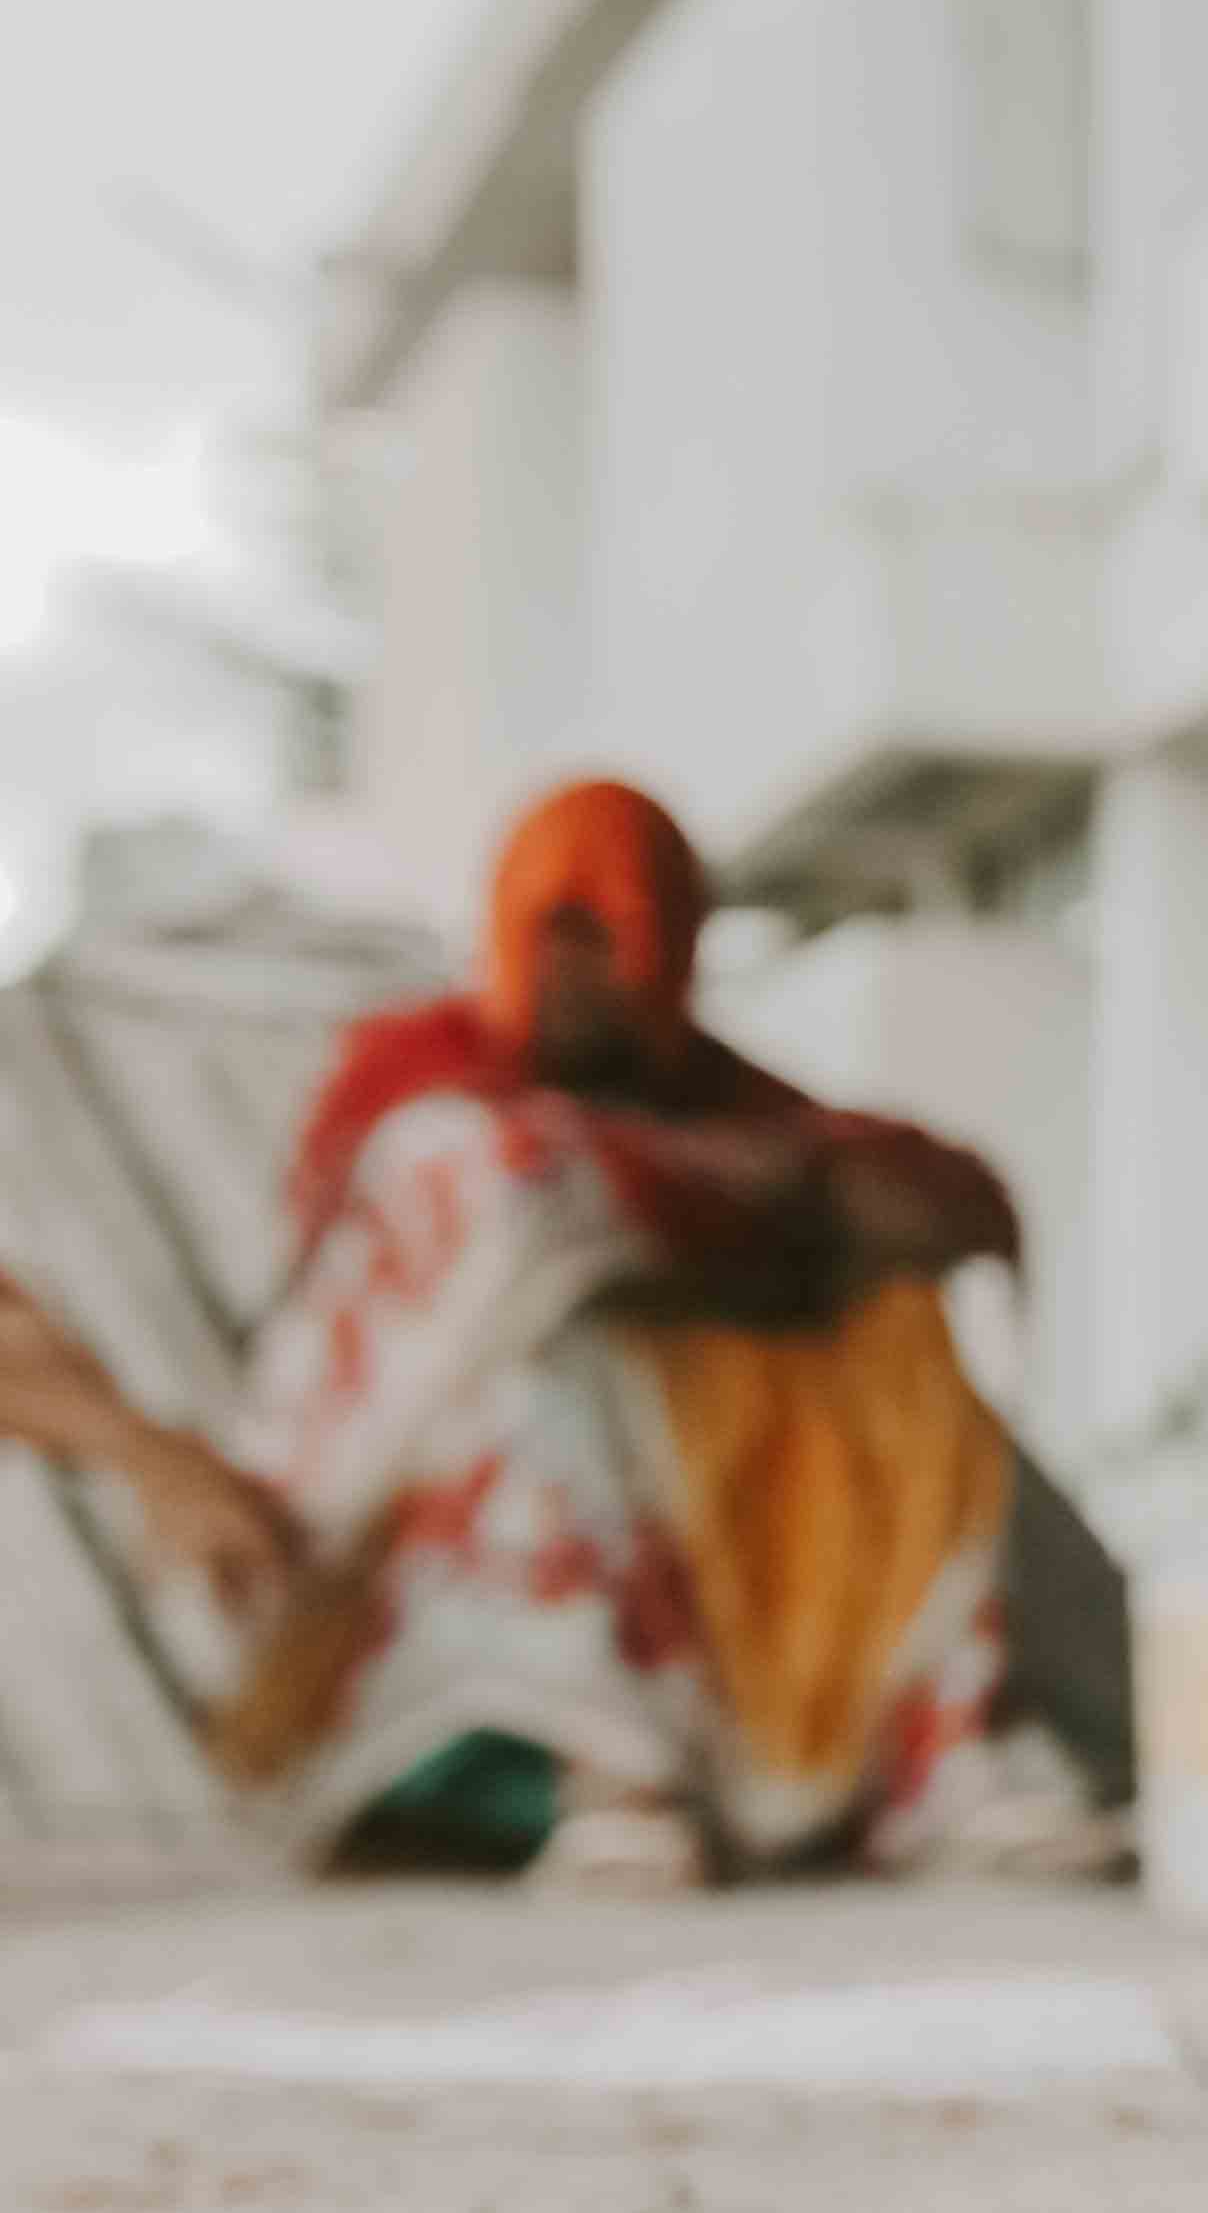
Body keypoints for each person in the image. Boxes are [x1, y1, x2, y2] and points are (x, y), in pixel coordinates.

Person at [0, 778, 1064, 1887]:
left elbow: (921, 1195)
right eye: (556, 933)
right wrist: (162, 1464)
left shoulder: (734, 1100)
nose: (580, 977)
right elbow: (518, 1197)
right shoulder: (419, 1089)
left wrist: (739, 1213)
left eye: (614, 938)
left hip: (745, 1579)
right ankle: (607, 1771)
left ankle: (946, 1758)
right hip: (399, 1599)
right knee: (546, 1374)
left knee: (896, 1342)